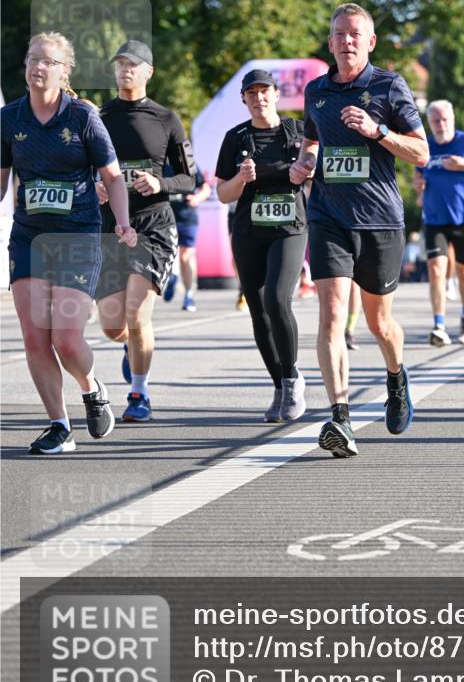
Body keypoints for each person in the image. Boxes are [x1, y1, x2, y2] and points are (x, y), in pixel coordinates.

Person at [290, 2, 428, 458]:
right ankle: (340, 416)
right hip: (328, 216)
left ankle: (396, 377)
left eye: (355, 35)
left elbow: (421, 153)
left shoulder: (389, 86)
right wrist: (305, 162)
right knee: (331, 315)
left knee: (379, 322)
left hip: (381, 220)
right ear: (329, 43)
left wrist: (377, 131)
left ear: (370, 42)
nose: (346, 41)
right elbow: (312, 140)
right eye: (338, 34)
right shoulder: (317, 92)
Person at [0, 32, 136, 454]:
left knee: (66, 339)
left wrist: (123, 223)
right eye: (31, 60)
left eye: (47, 62)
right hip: (28, 237)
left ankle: (92, 386)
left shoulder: (82, 117)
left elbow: (113, 177)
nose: (37, 67)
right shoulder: (10, 120)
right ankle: (60, 426)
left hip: (77, 235)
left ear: (63, 72)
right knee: (34, 338)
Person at [95, 40, 195, 421]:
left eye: (132, 64)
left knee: (138, 316)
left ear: (148, 71)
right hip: (111, 226)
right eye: (120, 64)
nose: (125, 70)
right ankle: (131, 346)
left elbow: (189, 177)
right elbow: (84, 167)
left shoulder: (166, 119)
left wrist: (160, 184)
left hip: (153, 225)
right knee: (111, 326)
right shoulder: (100, 117)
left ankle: (139, 394)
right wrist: (97, 185)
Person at [216, 69, 308, 422]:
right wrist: (240, 178)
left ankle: (292, 376)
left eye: (264, 91)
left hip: (289, 227)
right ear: (244, 99)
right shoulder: (235, 137)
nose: (259, 98)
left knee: (277, 298)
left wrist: (308, 171)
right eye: (251, 93)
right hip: (249, 231)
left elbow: (319, 169)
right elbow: (223, 193)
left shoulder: (297, 132)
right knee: (257, 310)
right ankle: (282, 385)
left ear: (276, 93)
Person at [414, 100, 464, 347]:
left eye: (444, 120)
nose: (441, 125)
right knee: (436, 269)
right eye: (435, 121)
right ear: (429, 122)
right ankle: (439, 325)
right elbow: (418, 175)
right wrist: (417, 183)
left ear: (452, 119)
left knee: (463, 270)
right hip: (434, 218)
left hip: (463, 217)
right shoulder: (425, 145)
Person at [162, 163, 211, 312]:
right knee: (167, 254)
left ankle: (188, 294)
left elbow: (205, 187)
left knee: (185, 257)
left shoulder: (187, 163)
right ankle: (172, 277)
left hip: (187, 217)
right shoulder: (157, 162)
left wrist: (197, 198)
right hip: (164, 217)